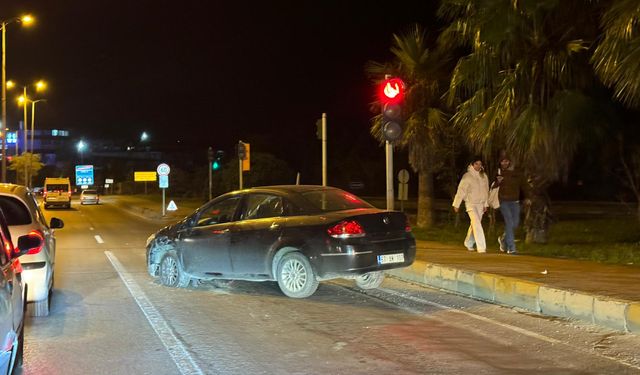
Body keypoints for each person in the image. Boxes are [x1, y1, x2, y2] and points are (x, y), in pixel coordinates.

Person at [452, 157, 489, 253]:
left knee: (475, 225)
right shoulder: (467, 176)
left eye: (480, 164)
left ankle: (468, 242)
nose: (478, 166)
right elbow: (461, 190)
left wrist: (486, 204)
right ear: (472, 164)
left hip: (480, 205)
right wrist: (457, 204)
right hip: (471, 204)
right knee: (476, 224)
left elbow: (486, 191)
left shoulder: (484, 176)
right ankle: (481, 247)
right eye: (476, 164)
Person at [494, 155, 530, 254]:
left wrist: (527, 197)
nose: (504, 163)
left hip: (515, 202)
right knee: (509, 222)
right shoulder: (499, 173)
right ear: (500, 163)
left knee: (515, 223)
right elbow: (493, 187)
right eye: (502, 162)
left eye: (506, 161)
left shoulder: (517, 173)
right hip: (503, 202)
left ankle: (503, 239)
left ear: (509, 162)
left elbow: (524, 186)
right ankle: (511, 247)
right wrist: (498, 181)